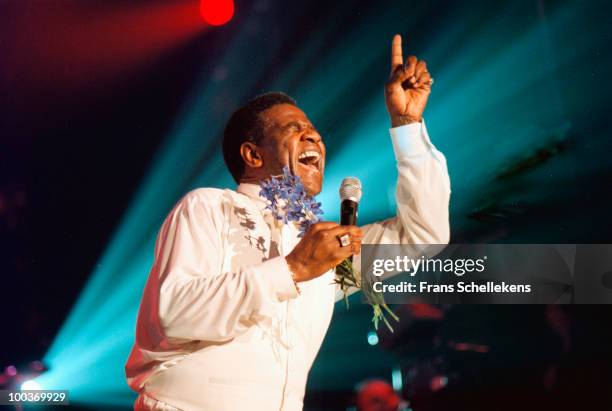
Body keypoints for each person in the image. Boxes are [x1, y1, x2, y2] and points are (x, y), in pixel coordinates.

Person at [125, 35, 450, 411]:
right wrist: (293, 269)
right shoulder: (208, 206)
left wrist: (407, 124)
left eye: (313, 129)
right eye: (293, 129)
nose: (313, 135)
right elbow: (174, 313)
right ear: (253, 154)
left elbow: (423, 234)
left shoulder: (321, 247)